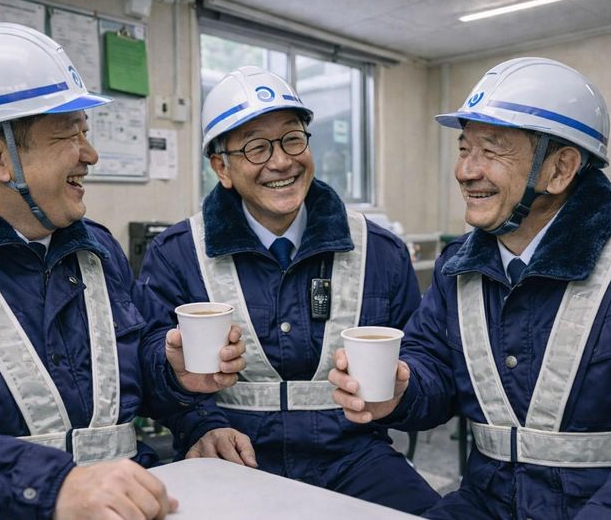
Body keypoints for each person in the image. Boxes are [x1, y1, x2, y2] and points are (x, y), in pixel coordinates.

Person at [0, 23, 247, 519]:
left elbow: (128, 374)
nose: (91, 155)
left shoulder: (96, 248)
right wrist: (52, 487)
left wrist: (175, 380)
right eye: (69, 134)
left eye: (86, 131)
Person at [329, 57, 611, 519]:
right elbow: (433, 366)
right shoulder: (456, 268)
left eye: (492, 151)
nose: (466, 171)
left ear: (560, 169)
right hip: (485, 503)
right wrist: (402, 390)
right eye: (464, 149)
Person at [139, 66, 440, 514]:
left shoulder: (380, 251)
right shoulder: (176, 253)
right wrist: (198, 422)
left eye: (292, 139)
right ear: (221, 167)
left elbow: (426, 363)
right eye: (256, 147)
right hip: (233, 456)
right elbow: (146, 371)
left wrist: (404, 392)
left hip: (355, 457)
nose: (281, 162)